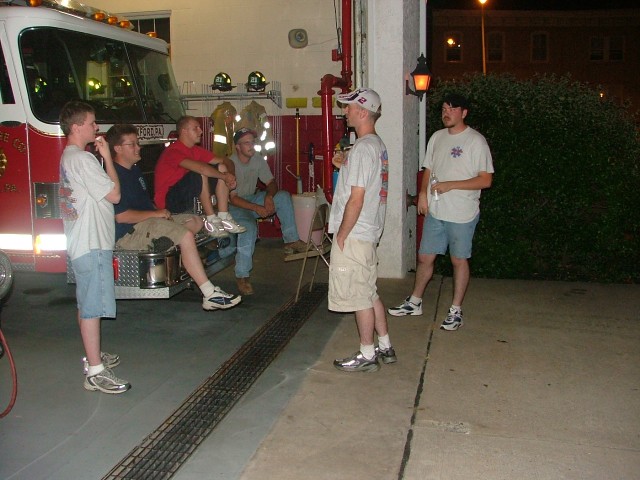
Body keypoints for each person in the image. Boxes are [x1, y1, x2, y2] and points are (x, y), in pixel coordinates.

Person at [105, 124, 241, 311]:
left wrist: (159, 215)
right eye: (132, 144)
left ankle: (168, 243)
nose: (139, 147)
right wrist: (156, 214)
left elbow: (144, 205)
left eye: (137, 143)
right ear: (118, 149)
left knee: (196, 221)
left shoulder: (135, 171)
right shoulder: (115, 176)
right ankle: (210, 294)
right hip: (130, 232)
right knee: (185, 234)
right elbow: (121, 217)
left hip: (148, 223)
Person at [388, 93, 494, 331]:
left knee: (458, 260)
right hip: (437, 210)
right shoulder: (437, 137)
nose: (446, 113)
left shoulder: (476, 141)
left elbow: (486, 180)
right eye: (444, 109)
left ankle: (456, 310)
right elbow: (429, 168)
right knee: (425, 257)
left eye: (452, 109)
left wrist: (451, 184)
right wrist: (423, 194)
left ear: (464, 113)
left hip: (462, 212)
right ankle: (415, 301)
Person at [58, 101, 130, 394]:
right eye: (91, 123)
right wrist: (108, 159)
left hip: (80, 242)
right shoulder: (83, 160)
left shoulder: (70, 158)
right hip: (92, 242)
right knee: (92, 307)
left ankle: (93, 357)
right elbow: (114, 194)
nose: (96, 127)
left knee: (85, 302)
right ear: (76, 128)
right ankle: (95, 372)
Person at [328, 88, 396, 373]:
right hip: (368, 233)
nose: (345, 111)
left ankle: (367, 354)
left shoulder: (363, 148)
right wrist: (346, 164)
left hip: (355, 235)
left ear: (363, 112)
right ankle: (385, 346)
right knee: (369, 292)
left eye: (350, 107)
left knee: (358, 297)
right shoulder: (375, 146)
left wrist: (341, 235)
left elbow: (356, 198)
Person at [227, 127, 310, 296]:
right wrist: (257, 207)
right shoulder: (230, 164)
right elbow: (232, 199)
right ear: (237, 146)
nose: (252, 146)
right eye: (247, 143)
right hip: (234, 207)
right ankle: (242, 276)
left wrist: (269, 197)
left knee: (283, 196)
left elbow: (271, 183)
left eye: (253, 142)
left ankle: (291, 241)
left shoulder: (257, 159)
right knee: (248, 228)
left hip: (251, 198)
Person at [154, 115, 245, 238]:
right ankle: (211, 219)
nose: (201, 131)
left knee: (222, 167)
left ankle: (223, 216)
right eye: (195, 128)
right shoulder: (173, 151)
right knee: (200, 172)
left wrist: (230, 176)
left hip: (185, 196)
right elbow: (201, 169)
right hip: (169, 201)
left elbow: (226, 161)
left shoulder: (195, 150)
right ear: (184, 131)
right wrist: (224, 178)